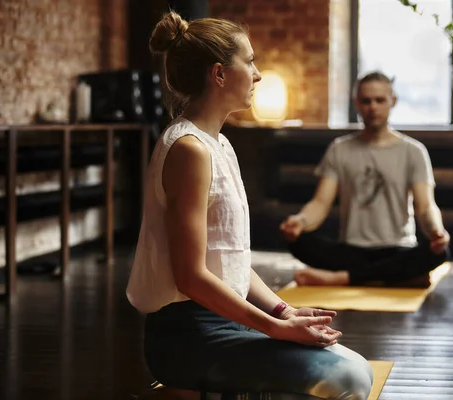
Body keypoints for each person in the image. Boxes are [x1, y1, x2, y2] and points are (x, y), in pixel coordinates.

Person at [125, 12, 373, 399]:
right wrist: (274, 329)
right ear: (219, 74)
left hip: (225, 320)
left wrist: (282, 312)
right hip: (189, 336)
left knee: (355, 367)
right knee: (348, 381)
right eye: (250, 61)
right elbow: (190, 277)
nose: (257, 74)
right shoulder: (188, 149)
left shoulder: (219, 144)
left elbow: (230, 260)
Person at [280, 71, 450, 288]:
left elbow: (426, 206)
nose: (373, 107)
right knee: (298, 242)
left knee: (439, 252)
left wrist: (437, 231)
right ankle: (394, 278)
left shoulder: (414, 151)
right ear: (357, 103)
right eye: (366, 101)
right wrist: (299, 222)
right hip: (352, 251)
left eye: (380, 100)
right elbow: (320, 203)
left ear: (393, 101)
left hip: (398, 248)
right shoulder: (339, 149)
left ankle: (342, 279)